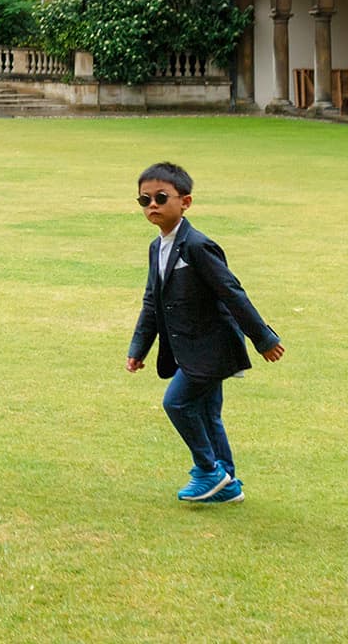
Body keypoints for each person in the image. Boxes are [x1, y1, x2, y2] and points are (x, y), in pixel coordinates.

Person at [126, 161, 284, 503]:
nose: (152, 204)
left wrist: (264, 338)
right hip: (189, 348)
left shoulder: (197, 246)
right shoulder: (157, 247)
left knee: (177, 403)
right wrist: (139, 348)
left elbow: (232, 292)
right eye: (144, 200)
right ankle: (227, 485)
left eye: (161, 197)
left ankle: (209, 470)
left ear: (185, 202)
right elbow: (153, 302)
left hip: (212, 347)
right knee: (209, 413)